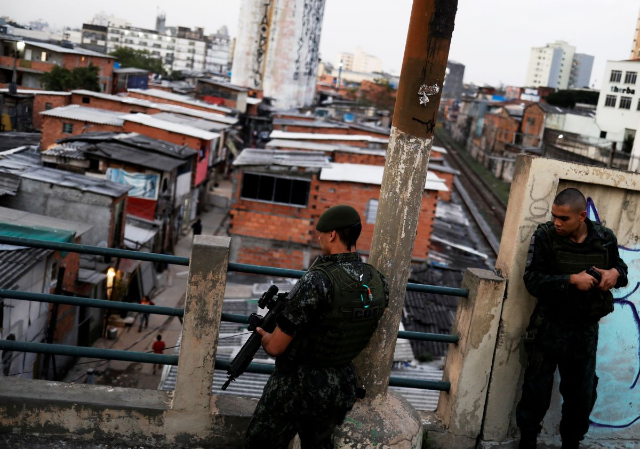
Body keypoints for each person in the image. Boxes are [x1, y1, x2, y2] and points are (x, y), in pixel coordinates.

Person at [244, 205, 389, 449]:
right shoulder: (376, 279)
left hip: (297, 388)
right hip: (341, 386)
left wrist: (265, 337)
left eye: (320, 233)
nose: (319, 238)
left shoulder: (317, 279)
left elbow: (277, 347)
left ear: (332, 234)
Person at [516, 188, 628, 449]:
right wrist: (570, 280)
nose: (557, 222)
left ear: (581, 216)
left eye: (563, 218)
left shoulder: (604, 238)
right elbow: (531, 280)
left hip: (584, 331)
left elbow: (622, 271)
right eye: (554, 216)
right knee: (536, 393)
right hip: (548, 328)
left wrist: (614, 274)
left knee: (581, 397)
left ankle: (571, 443)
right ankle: (528, 442)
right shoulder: (544, 236)